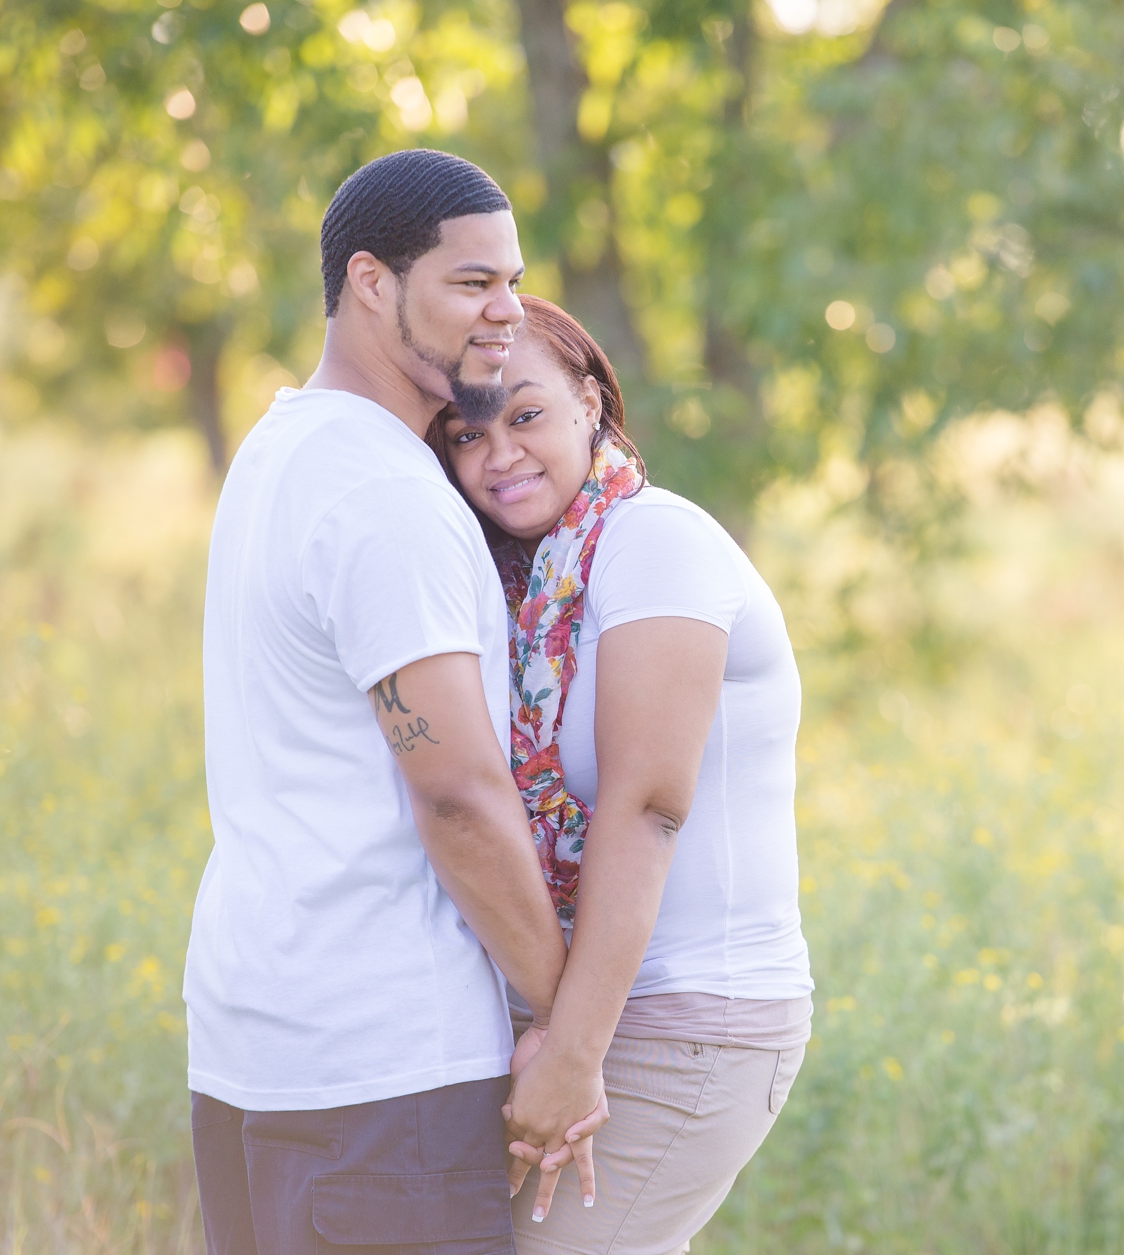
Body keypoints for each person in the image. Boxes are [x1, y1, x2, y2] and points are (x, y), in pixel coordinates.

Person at [183, 152, 602, 1255]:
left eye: (511, 282)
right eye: (471, 284)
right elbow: (457, 793)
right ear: (370, 282)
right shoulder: (380, 495)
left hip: (256, 1045)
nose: (506, 312)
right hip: (383, 1071)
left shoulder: (278, 450)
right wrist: (566, 1022)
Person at [431, 296, 814, 1255]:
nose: (499, 455)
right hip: (590, 1005)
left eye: (524, 415)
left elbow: (648, 809)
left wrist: (572, 1049)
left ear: (591, 403)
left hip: (689, 1020)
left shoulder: (656, 543)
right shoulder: (526, 587)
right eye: (466, 434)